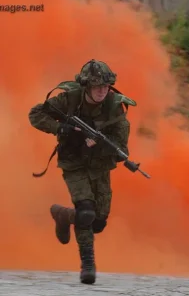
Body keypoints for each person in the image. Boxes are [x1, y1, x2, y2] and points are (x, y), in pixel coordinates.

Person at [28, 59, 134, 285]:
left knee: (98, 222)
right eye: (97, 87)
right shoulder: (69, 99)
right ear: (86, 86)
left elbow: (121, 148)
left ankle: (64, 215)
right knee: (86, 211)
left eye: (106, 87)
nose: (102, 91)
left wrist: (103, 147)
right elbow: (36, 114)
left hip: (99, 167)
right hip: (73, 162)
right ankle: (88, 264)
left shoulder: (115, 106)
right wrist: (62, 128)